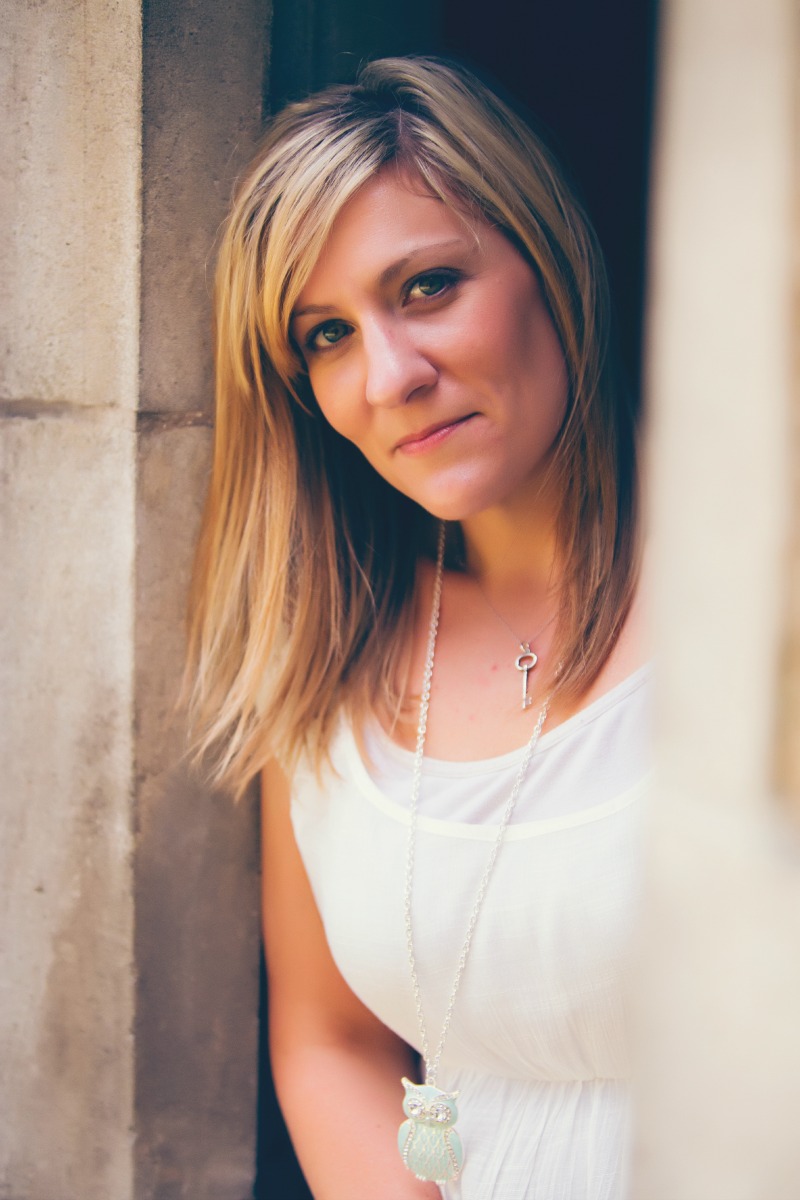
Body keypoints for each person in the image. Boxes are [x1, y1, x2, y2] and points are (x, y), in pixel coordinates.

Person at [186, 55, 648, 1200]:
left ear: (549, 256)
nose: (388, 376)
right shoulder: (322, 661)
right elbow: (330, 1040)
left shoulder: (757, 590)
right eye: (325, 336)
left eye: (428, 286)